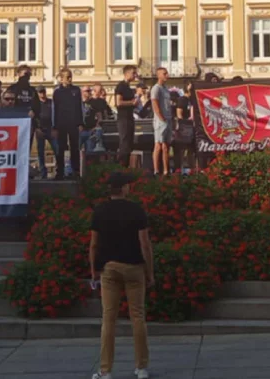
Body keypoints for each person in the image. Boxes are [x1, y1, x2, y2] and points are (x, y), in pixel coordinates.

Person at [90, 171, 153, 379]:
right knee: (138, 316)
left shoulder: (100, 211)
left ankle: (105, 370)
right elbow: (145, 244)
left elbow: (94, 245)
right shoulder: (136, 210)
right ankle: (141, 367)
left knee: (109, 318)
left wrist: (94, 270)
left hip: (109, 268)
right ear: (125, 188)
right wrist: (149, 272)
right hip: (134, 267)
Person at [52, 69, 84, 180]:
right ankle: (60, 172)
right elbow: (54, 109)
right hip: (61, 124)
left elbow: (80, 107)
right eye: (67, 77)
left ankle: (76, 171)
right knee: (60, 148)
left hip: (73, 123)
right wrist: (54, 126)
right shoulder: (57, 92)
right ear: (61, 79)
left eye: (70, 76)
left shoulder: (76, 90)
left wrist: (80, 123)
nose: (70, 79)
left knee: (74, 148)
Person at [150, 68, 174, 176]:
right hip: (161, 120)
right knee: (158, 145)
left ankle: (166, 170)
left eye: (167, 73)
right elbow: (154, 103)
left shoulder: (165, 89)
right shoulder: (156, 88)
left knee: (166, 146)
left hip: (168, 119)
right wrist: (161, 117)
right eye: (164, 74)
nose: (167, 75)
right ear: (158, 75)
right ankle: (156, 170)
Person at [115, 66, 139, 168]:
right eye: (133, 73)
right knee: (124, 143)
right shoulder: (121, 86)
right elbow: (118, 102)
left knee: (129, 143)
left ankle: (126, 166)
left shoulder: (129, 88)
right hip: (123, 118)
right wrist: (131, 102)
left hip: (130, 117)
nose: (135, 75)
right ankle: (121, 167)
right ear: (127, 73)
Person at [36, 86, 59, 178]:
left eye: (43, 92)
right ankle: (43, 173)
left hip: (51, 130)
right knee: (40, 153)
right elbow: (34, 118)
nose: (42, 94)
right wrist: (37, 129)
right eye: (40, 92)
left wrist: (55, 128)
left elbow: (57, 115)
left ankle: (59, 171)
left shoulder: (51, 102)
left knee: (57, 150)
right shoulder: (35, 104)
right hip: (40, 130)